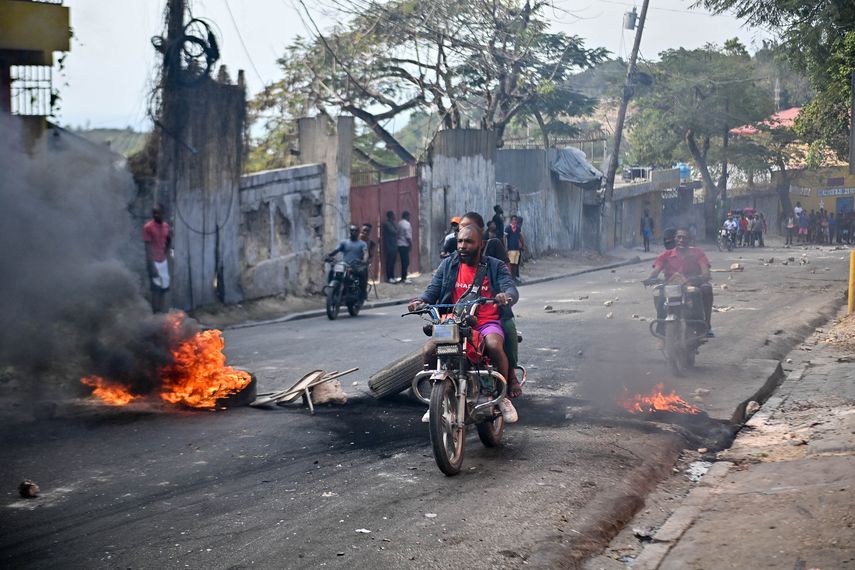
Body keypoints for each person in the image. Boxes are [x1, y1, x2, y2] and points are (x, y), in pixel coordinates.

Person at [408, 224, 519, 423]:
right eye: (460, 241)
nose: (462, 246)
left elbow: (510, 287)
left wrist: (506, 296)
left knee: (494, 345)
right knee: (428, 351)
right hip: (454, 322)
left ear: (480, 244)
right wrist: (421, 301)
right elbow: (432, 290)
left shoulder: (495, 266)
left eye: (468, 242)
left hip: (486, 322)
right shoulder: (448, 265)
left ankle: (503, 397)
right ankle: (437, 400)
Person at [647, 227, 714, 338]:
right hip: (671, 285)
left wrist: (701, 277)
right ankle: (660, 328)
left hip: (691, 284)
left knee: (706, 288)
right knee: (658, 294)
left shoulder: (698, 253)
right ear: (675, 239)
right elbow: (656, 270)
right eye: (679, 237)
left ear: (689, 240)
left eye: (684, 237)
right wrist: (650, 278)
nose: (681, 240)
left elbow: (705, 272)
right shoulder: (665, 255)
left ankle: (705, 325)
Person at [327, 224, 368, 302]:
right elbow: (336, 250)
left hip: (356, 265)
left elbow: (365, 252)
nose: (353, 232)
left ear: (358, 232)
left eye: (355, 231)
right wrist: (329, 255)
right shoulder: (344, 242)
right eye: (352, 230)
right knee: (332, 271)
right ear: (349, 232)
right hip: (345, 264)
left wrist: (364, 260)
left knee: (363, 274)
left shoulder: (362, 244)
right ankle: (331, 288)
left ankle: (362, 294)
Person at [143, 204, 172, 313]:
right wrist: (152, 266)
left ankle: (162, 312)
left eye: (158, 213)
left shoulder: (166, 226)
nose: (156, 215)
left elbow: (169, 239)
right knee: (155, 289)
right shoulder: (148, 227)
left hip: (163, 261)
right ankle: (155, 313)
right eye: (154, 213)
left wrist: (166, 252)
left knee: (164, 288)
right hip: (153, 261)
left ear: (163, 213)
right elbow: (147, 247)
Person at [504, 215, 525, 281]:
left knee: (515, 264)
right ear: (511, 221)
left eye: (515, 220)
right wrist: (505, 247)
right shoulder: (508, 228)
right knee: (511, 264)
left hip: (517, 249)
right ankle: (511, 277)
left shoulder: (518, 228)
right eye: (513, 220)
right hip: (511, 248)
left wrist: (522, 245)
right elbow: (504, 237)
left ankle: (514, 276)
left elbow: (520, 237)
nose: (514, 221)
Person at [381, 211, 398, 283]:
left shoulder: (392, 223)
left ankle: (392, 276)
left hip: (394, 245)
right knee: (390, 262)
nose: (395, 216)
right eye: (394, 215)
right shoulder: (387, 224)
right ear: (391, 216)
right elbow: (394, 231)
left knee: (393, 262)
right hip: (390, 246)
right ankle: (389, 277)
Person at [397, 211, 413, 284]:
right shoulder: (407, 224)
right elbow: (408, 237)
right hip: (405, 245)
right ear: (407, 216)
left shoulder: (399, 223)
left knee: (403, 261)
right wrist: (411, 245)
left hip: (399, 244)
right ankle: (404, 278)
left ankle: (403, 277)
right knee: (406, 262)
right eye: (409, 216)